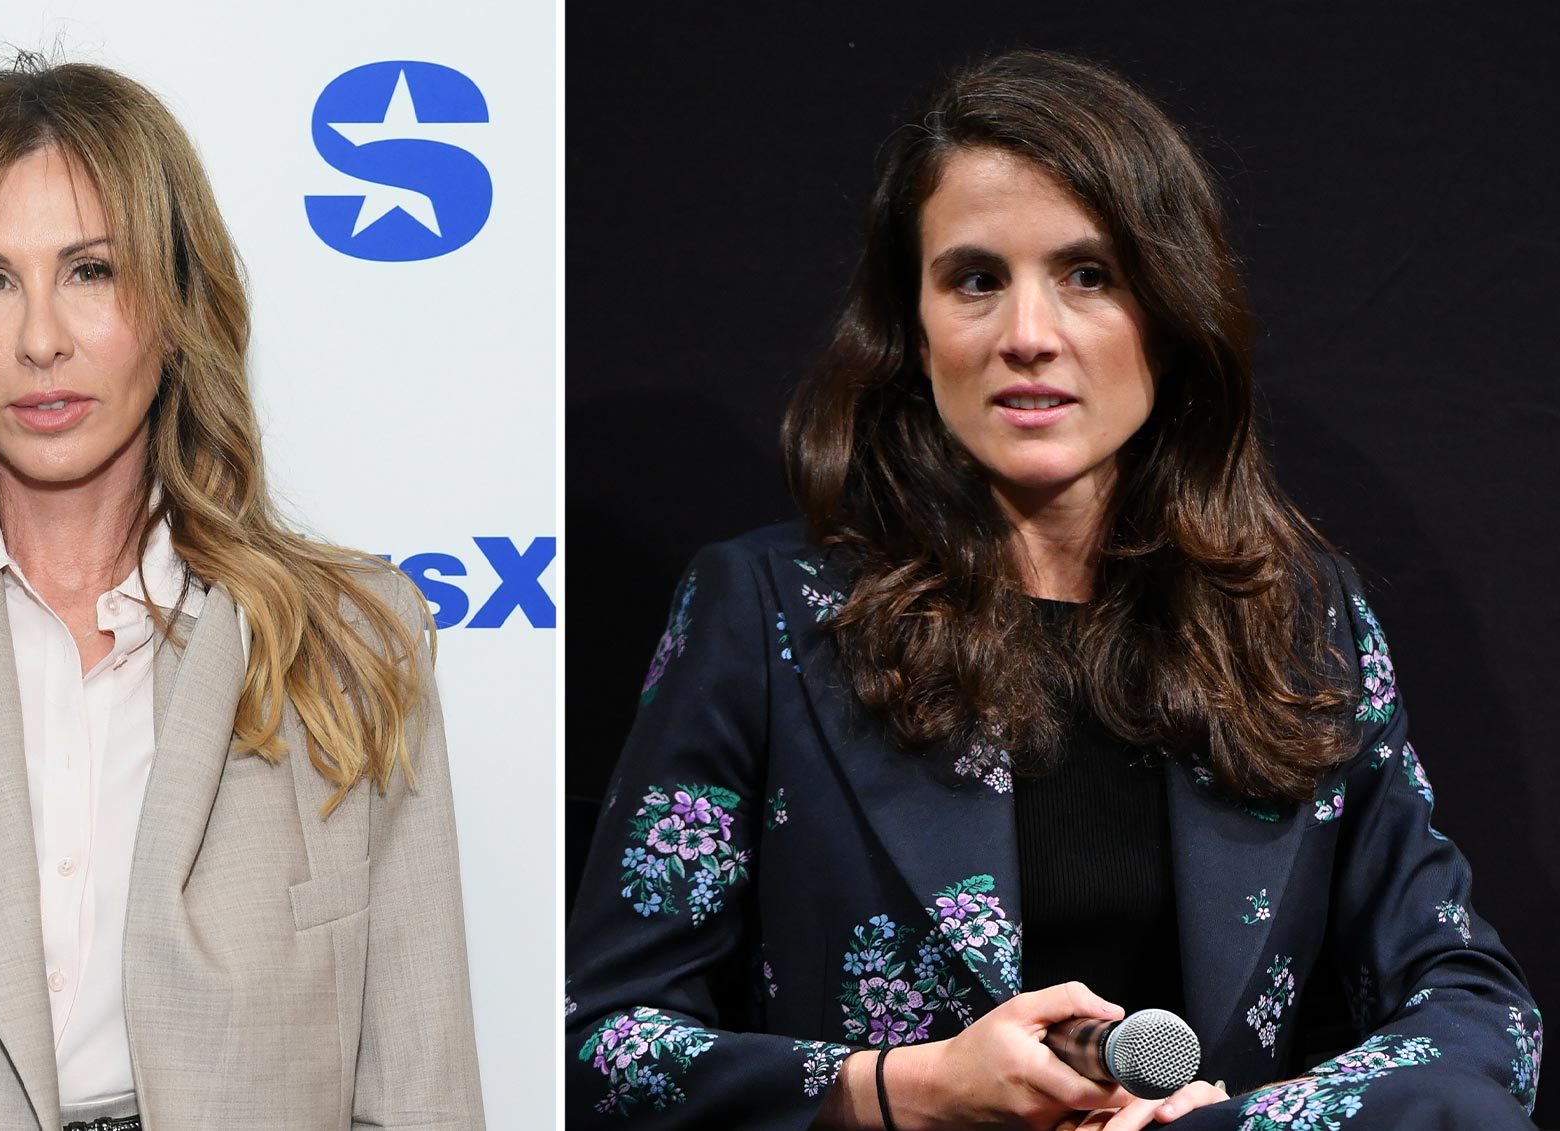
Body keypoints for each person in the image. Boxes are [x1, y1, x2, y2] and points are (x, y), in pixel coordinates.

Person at [564, 49, 1540, 1131]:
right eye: (975, 280)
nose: (1028, 336)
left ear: (1168, 312)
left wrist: (1228, 1115)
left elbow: (1479, 1009)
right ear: (912, 329)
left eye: (1088, 275)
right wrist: (908, 1087)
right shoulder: (767, 612)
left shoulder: (1300, 620)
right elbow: (601, 1045)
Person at [0, 57, 484, 1131]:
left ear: (177, 301)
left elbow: (424, 1090)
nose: (41, 340)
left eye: (91, 270)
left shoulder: (352, 646)